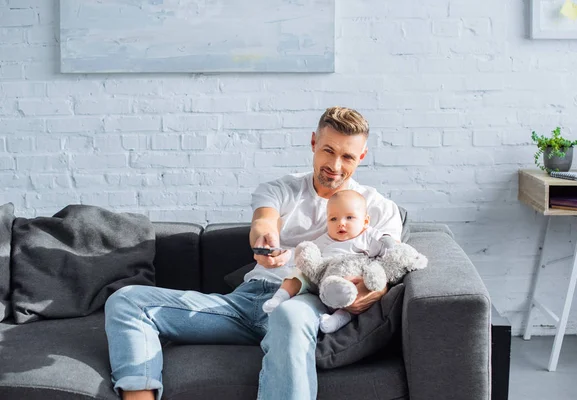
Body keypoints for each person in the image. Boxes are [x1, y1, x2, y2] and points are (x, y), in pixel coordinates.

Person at [104, 106, 403, 400]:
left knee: (289, 315)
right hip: (246, 302)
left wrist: (358, 293)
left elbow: (390, 267)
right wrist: (265, 240)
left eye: (347, 156)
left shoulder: (378, 208)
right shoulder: (282, 189)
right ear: (313, 142)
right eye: (328, 150)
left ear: (361, 157)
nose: (335, 165)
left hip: (304, 301)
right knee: (127, 300)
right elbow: (263, 221)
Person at [262, 189, 395, 334]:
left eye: (349, 217)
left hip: (352, 279)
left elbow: (388, 246)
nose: (341, 223)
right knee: (299, 273)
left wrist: (388, 243)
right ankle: (280, 296)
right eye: (333, 219)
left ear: (365, 221)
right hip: (322, 281)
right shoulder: (325, 239)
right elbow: (310, 255)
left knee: (353, 291)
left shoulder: (368, 235)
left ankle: (337, 320)